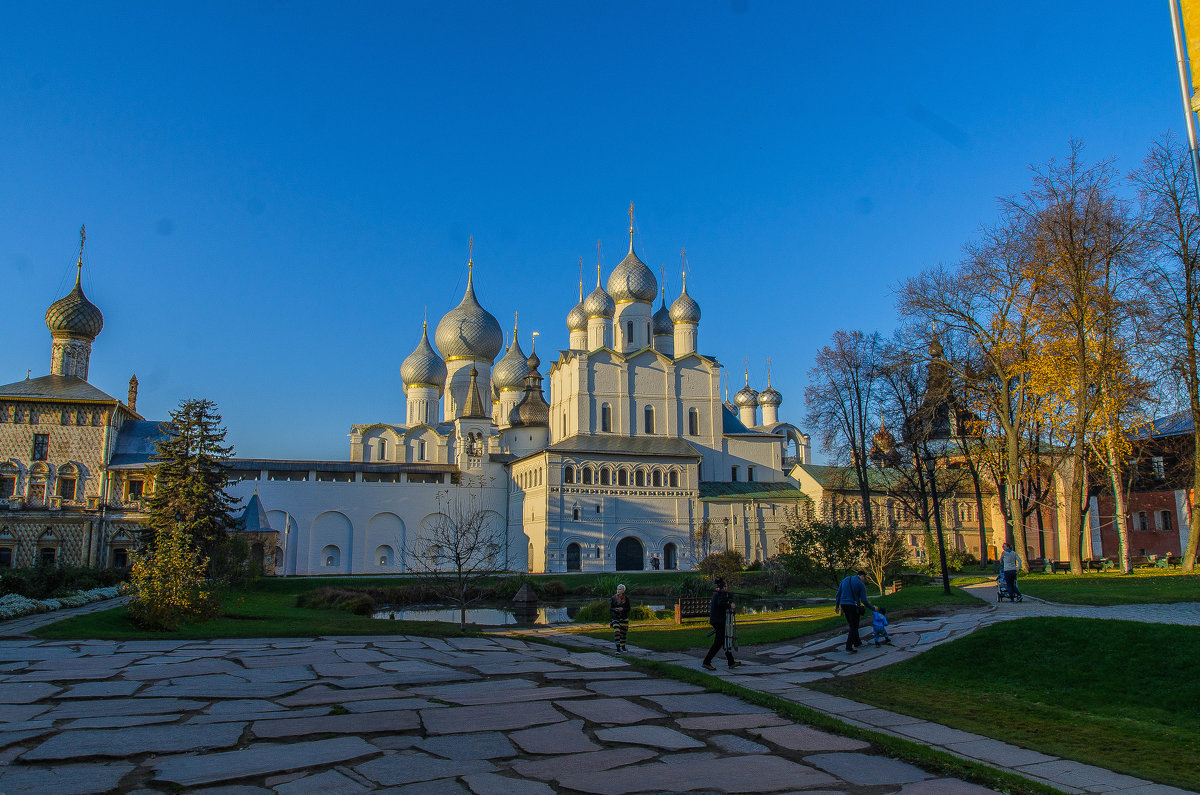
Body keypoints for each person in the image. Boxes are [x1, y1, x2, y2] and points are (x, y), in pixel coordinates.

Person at [701, 577, 740, 670]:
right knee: (718, 643)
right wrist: (730, 604)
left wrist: (728, 599)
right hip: (718, 621)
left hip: (717, 620)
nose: (727, 588)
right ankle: (706, 662)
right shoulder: (720, 594)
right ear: (724, 587)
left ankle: (731, 662)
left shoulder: (718, 593)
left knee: (724, 641)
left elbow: (721, 604)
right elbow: (721, 603)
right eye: (726, 586)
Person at [834, 570, 875, 654]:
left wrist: (837, 606)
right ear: (862, 576)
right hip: (853, 606)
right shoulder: (860, 584)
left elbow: (838, 593)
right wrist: (872, 608)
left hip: (844, 605)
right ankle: (848, 646)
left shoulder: (845, 580)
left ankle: (857, 642)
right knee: (854, 626)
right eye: (864, 577)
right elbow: (864, 600)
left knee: (852, 624)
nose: (864, 579)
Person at [610, 583, 631, 652]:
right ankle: (618, 648)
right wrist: (615, 609)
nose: (618, 591)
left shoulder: (626, 598)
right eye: (617, 589)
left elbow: (628, 608)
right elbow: (611, 608)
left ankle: (623, 646)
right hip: (616, 617)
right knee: (617, 632)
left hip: (624, 618)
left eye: (620, 589)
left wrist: (623, 609)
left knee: (623, 633)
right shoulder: (613, 598)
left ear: (623, 591)